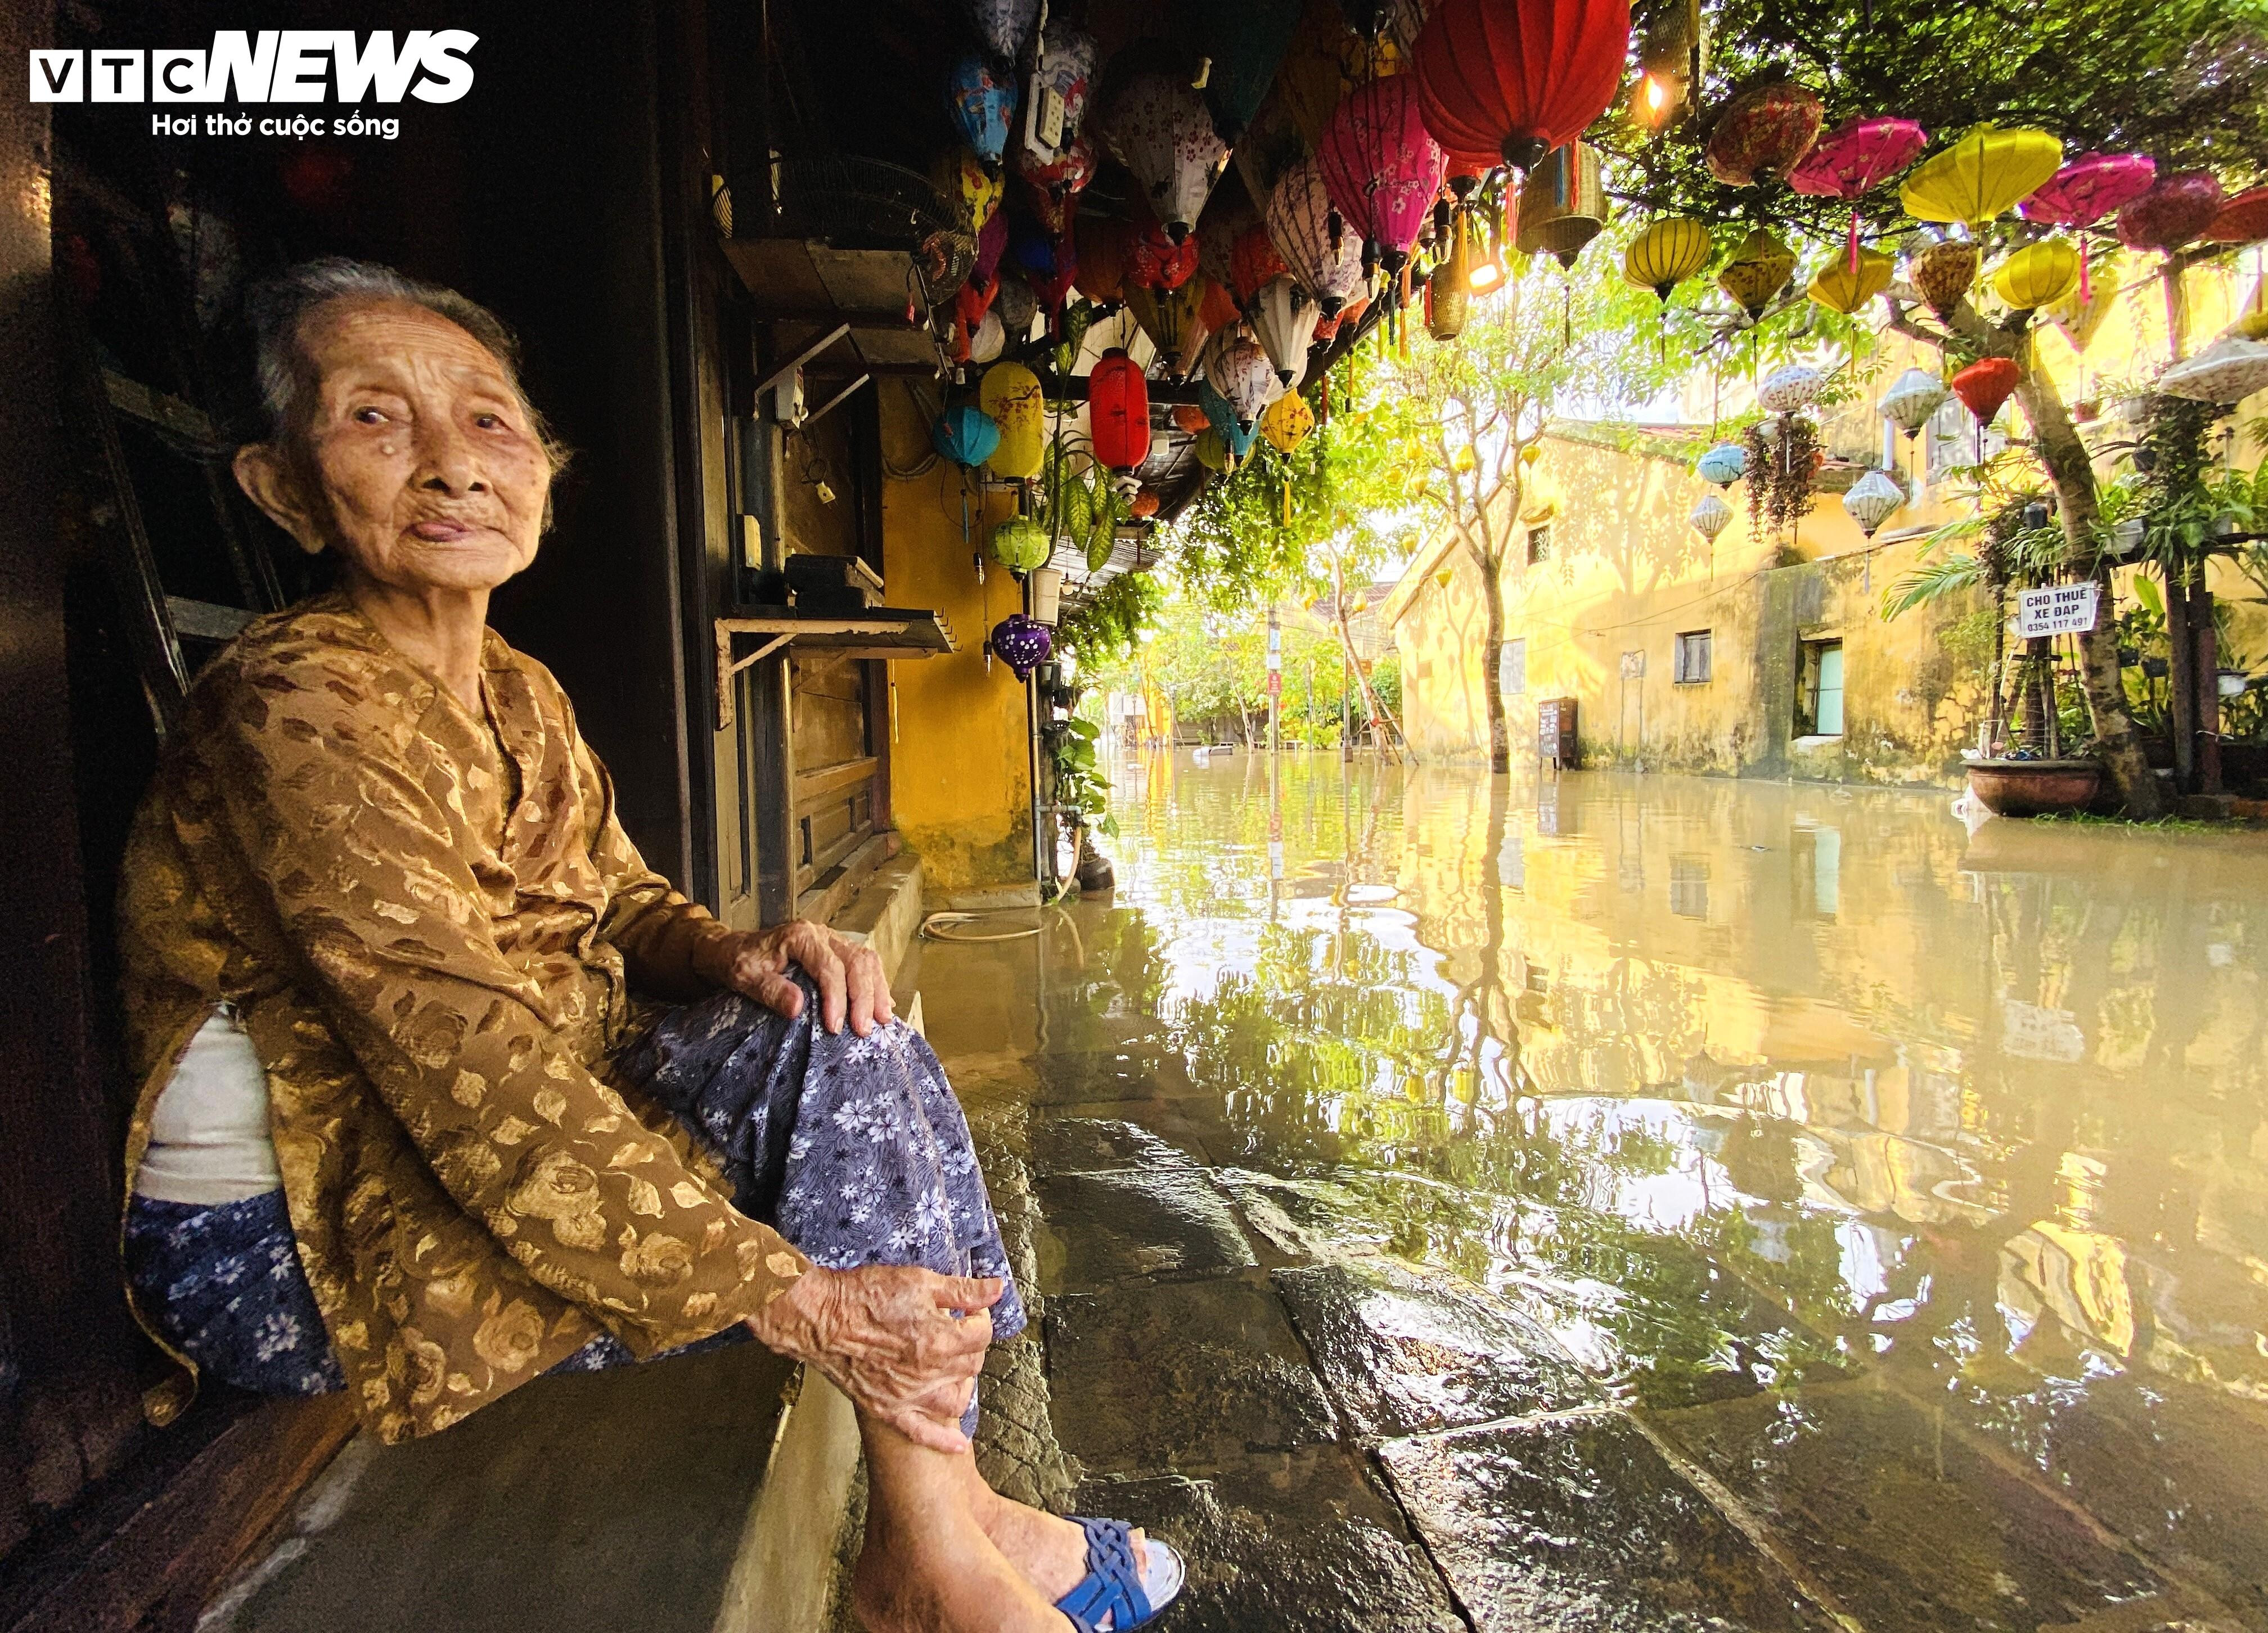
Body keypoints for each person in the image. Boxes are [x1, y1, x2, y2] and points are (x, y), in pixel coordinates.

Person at [116, 258, 1180, 1633]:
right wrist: (796, 1299)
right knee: (834, 1135)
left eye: (490, 423)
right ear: (282, 486)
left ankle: (945, 1531)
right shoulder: (294, 706)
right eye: (378, 421)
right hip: (299, 1232)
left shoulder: (516, 686)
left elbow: (617, 903)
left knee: (840, 1023)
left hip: (461, 1141)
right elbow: (474, 1072)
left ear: (544, 473)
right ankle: (945, 1546)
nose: (451, 467)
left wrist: (738, 953)